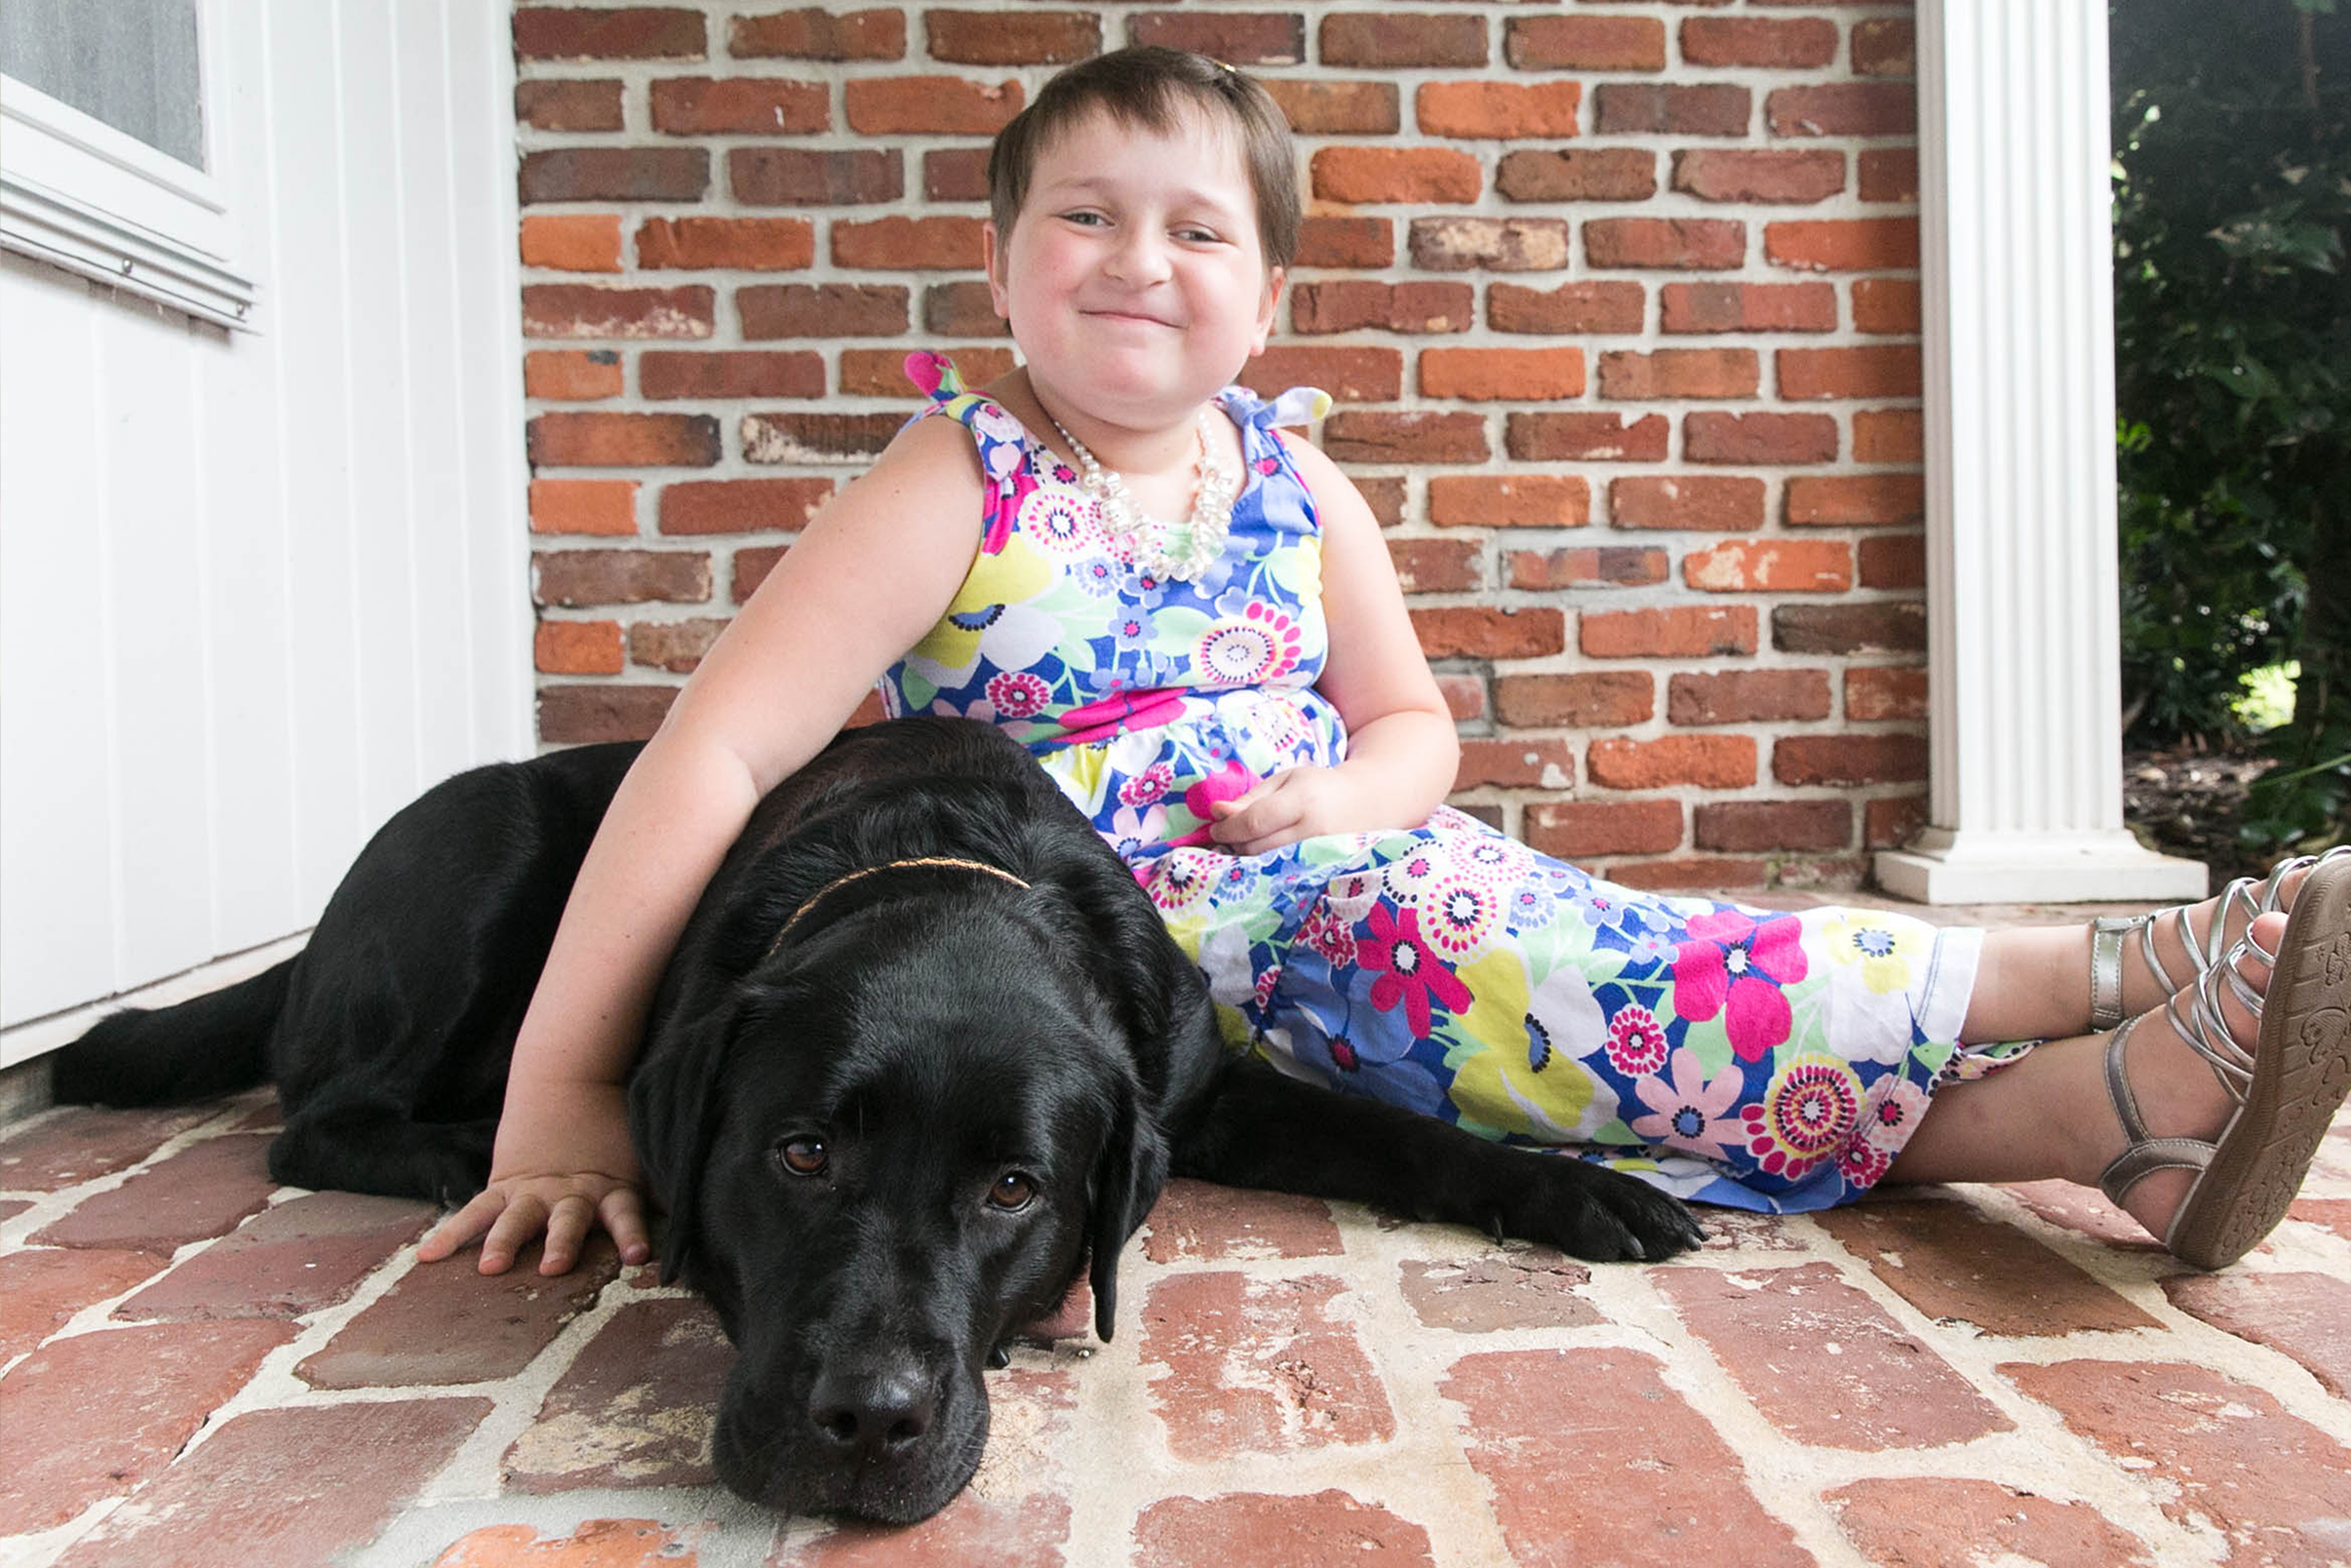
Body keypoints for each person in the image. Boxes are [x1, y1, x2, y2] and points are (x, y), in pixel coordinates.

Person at [420, 46, 2351, 1282]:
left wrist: (1343, 794)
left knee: (1598, 1010)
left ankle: (2110, 1127)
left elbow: (1416, 720)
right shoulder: (958, 478)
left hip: (1346, 876)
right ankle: (2099, 964)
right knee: (1593, 983)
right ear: (1001, 266)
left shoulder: (1294, 482)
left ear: (1266, 297)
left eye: (1197, 229)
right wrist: (562, 1093)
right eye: (1081, 218)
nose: (1136, 259)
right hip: (1129, 944)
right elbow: (719, 756)